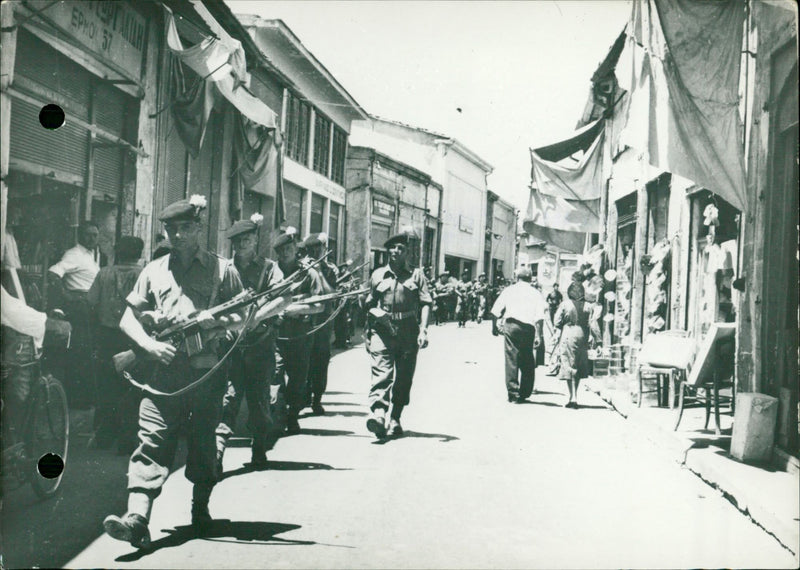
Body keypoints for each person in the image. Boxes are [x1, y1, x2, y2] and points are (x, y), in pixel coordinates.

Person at [103, 196, 247, 548]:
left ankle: (201, 510)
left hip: (205, 375)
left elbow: (245, 316)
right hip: (163, 373)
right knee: (151, 441)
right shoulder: (153, 270)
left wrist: (217, 324)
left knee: (203, 443)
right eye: (171, 229)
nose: (178, 235)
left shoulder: (223, 270)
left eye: (186, 228)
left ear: (199, 228)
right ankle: (136, 519)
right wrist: (149, 346)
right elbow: (127, 317)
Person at [215, 214, 286, 470]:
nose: (242, 243)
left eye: (247, 238)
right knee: (227, 399)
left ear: (255, 239)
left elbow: (280, 300)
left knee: (259, 400)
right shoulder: (223, 270)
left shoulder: (269, 269)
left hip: (260, 346)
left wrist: (257, 318)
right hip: (229, 348)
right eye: (238, 240)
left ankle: (258, 449)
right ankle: (217, 455)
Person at [363, 230, 431, 439]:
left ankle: (395, 417)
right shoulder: (377, 275)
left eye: (401, 248)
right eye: (392, 248)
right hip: (382, 330)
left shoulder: (417, 275)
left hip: (408, 331)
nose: (396, 251)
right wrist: (370, 316)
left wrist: (424, 330)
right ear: (387, 251)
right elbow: (368, 302)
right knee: (381, 373)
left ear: (406, 252)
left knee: (403, 377)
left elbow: (426, 302)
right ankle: (379, 415)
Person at [86, 236, 144, 453]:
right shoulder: (144, 274)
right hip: (134, 337)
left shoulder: (104, 273)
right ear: (139, 253)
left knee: (106, 388)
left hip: (107, 336)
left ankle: (103, 437)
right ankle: (128, 441)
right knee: (132, 388)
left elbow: (91, 302)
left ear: (118, 252)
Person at [272, 227, 326, 435]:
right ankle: (279, 414)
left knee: (297, 380)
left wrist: (297, 309)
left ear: (295, 248)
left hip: (300, 336)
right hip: (275, 335)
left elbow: (320, 304)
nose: (285, 253)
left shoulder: (309, 273)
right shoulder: (271, 272)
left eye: (288, 248)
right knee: (275, 376)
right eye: (281, 250)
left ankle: (293, 415)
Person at [48, 221, 100, 408]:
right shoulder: (74, 254)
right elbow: (54, 273)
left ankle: (84, 399)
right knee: (79, 353)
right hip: (79, 307)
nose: (92, 238)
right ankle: (76, 400)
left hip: (89, 308)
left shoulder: (92, 255)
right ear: (80, 236)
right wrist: (67, 297)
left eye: (95, 235)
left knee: (87, 353)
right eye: (88, 235)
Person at [490, 266, 546, 404]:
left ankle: (513, 393)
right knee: (527, 359)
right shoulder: (536, 293)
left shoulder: (509, 290)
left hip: (512, 326)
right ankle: (525, 392)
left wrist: (494, 327)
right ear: (530, 278)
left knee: (511, 359)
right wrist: (539, 335)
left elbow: (495, 311)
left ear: (517, 278)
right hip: (528, 328)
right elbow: (539, 317)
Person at [301, 232, 338, 416]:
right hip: (304, 322)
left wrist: (319, 272)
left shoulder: (330, 270)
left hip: (323, 323)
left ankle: (317, 399)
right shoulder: (301, 268)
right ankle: (302, 396)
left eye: (319, 249)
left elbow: (331, 293)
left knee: (321, 361)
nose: (315, 253)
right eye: (311, 250)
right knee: (303, 360)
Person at [553, 280, 591, 408]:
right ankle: (575, 395)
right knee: (578, 364)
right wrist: (599, 340)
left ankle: (572, 397)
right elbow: (594, 324)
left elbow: (557, 321)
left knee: (569, 364)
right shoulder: (588, 306)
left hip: (569, 332)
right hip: (583, 335)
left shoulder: (565, 304)